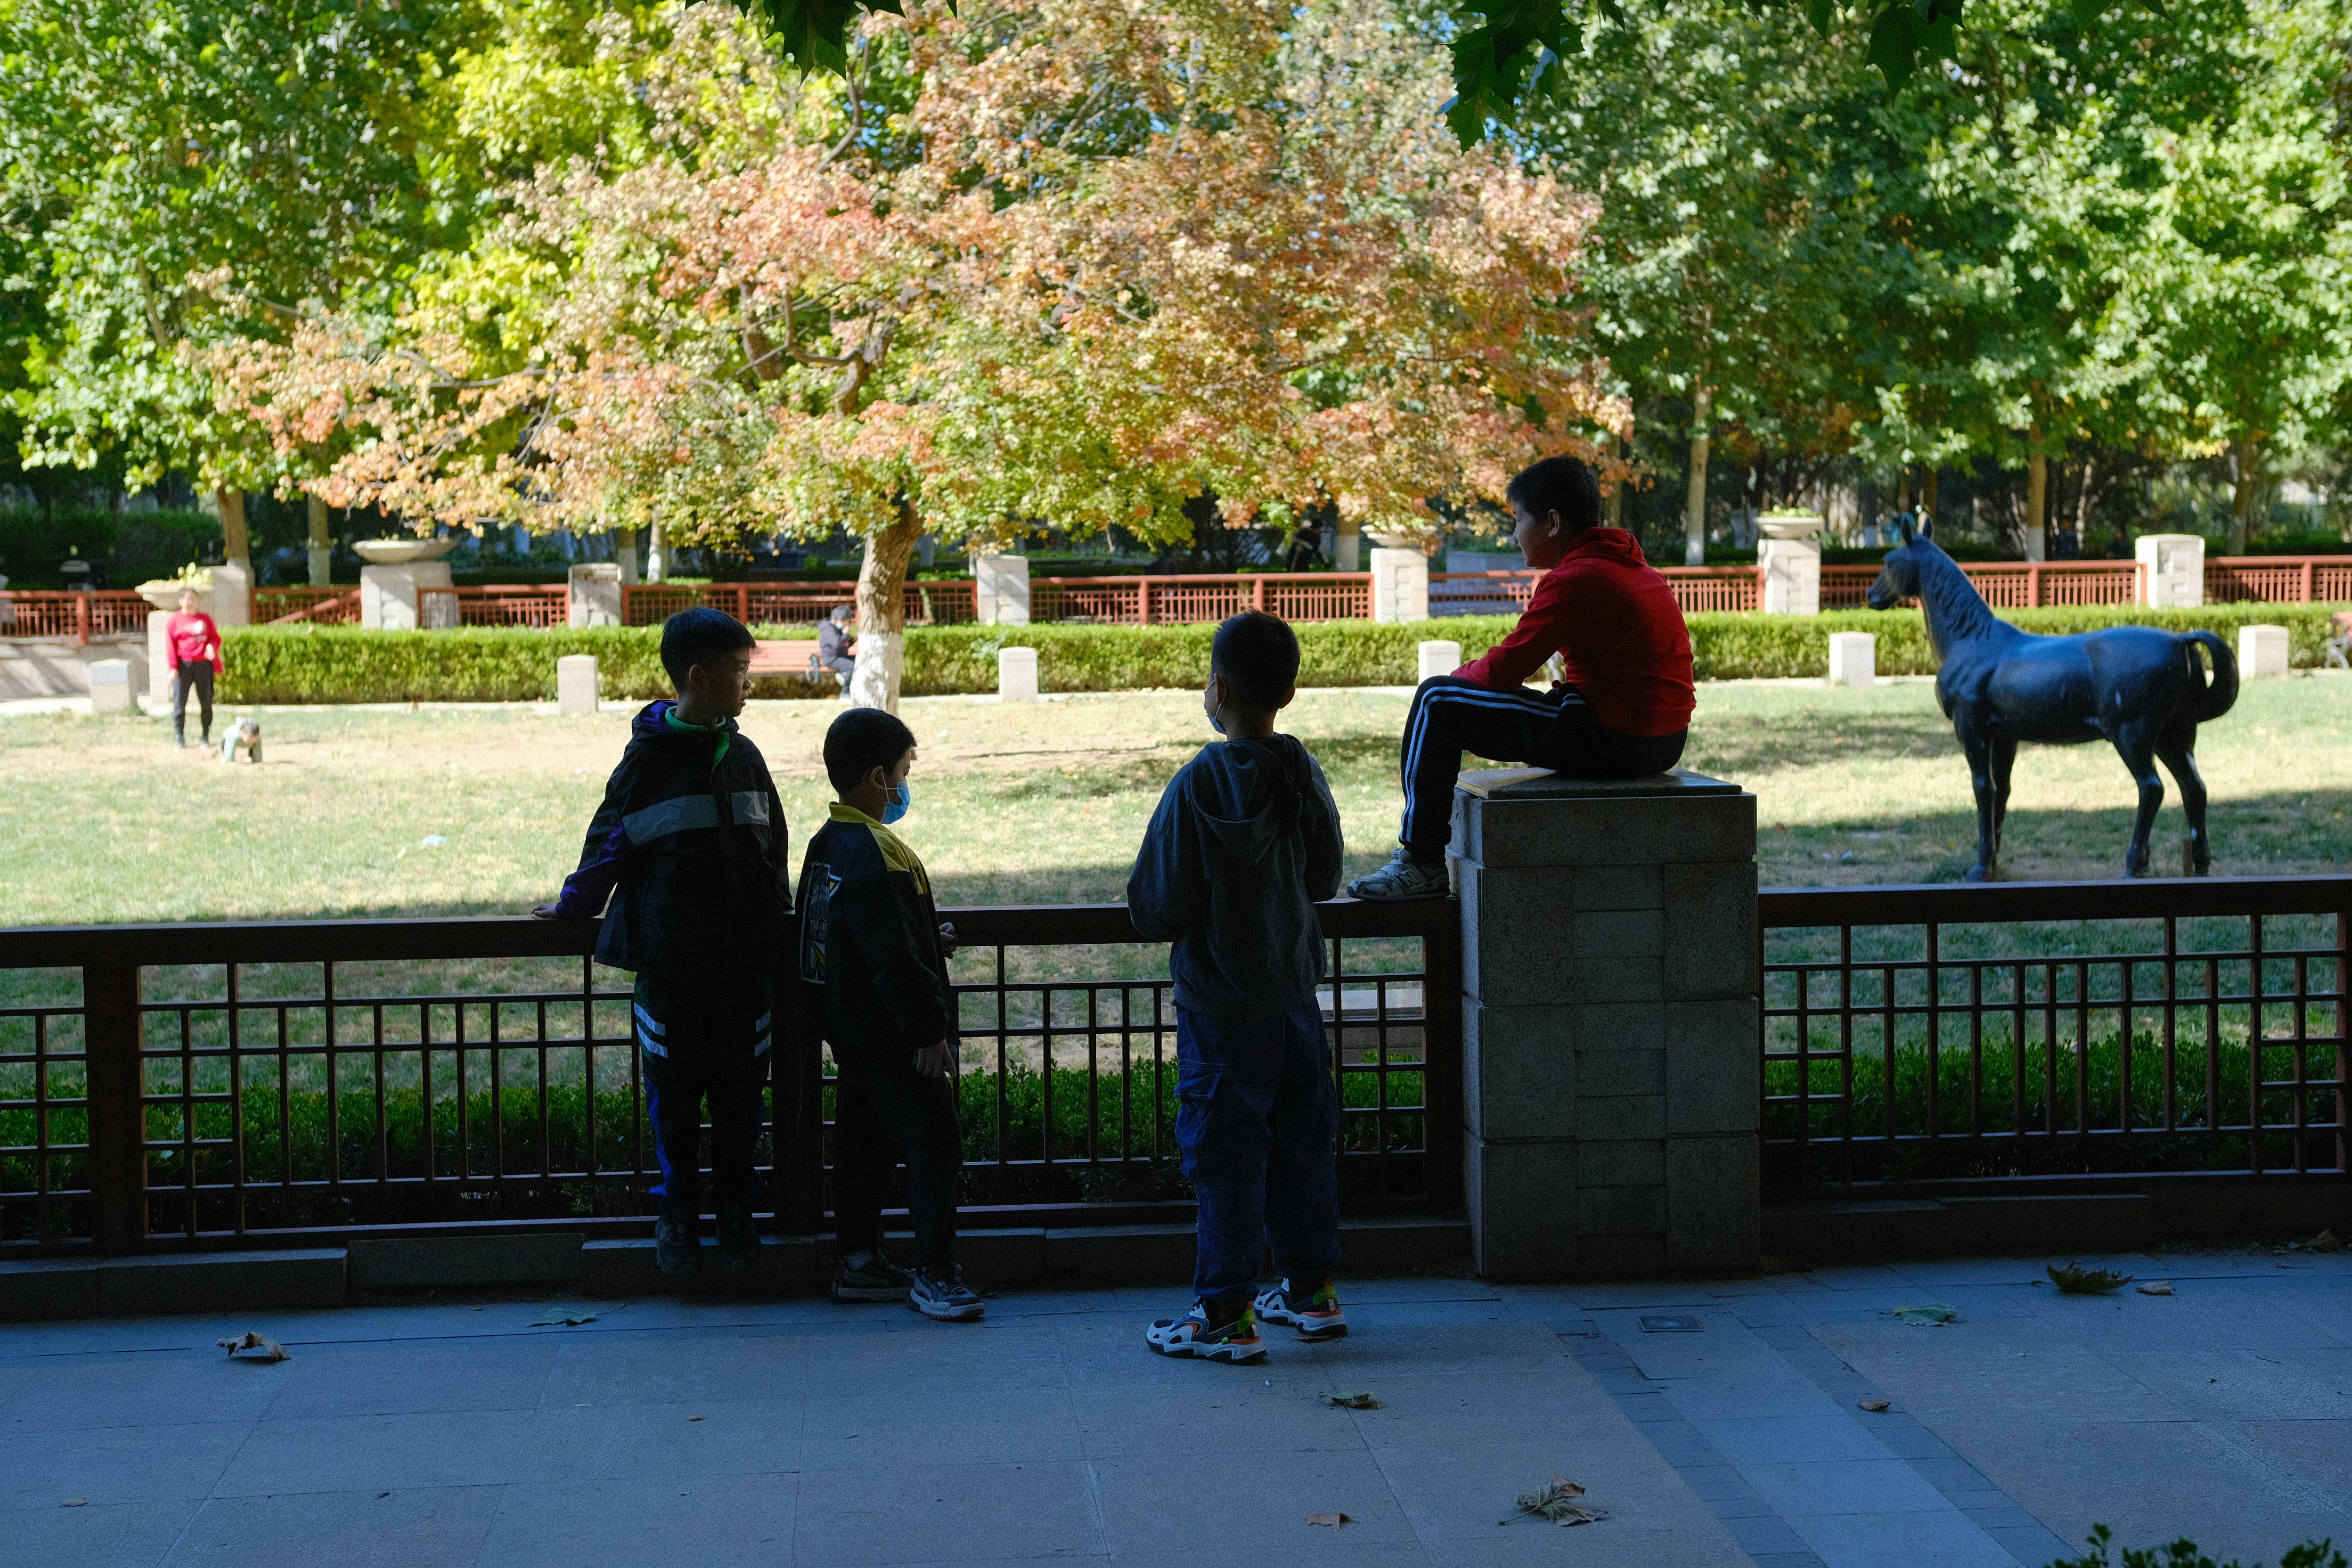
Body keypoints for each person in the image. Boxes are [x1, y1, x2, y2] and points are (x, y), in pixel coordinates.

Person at [534, 607, 791, 1276]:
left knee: (741, 1103)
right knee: (674, 1104)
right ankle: (677, 1216)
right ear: (699, 678)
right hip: (670, 971)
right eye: (739, 672)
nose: (746, 685)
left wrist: (779, 932)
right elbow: (609, 843)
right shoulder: (647, 762)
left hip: (743, 973)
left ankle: (737, 1214)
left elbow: (774, 853)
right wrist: (573, 905)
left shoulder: (745, 756)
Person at [1130, 610, 1346, 1364]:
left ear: (1216, 689)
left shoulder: (1196, 786)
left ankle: (1225, 1314)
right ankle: (1312, 1294)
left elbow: (1152, 905)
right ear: (1289, 691)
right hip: (1293, 1000)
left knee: (1224, 1159)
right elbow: (1325, 876)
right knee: (1302, 1149)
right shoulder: (1299, 770)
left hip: (1221, 1011)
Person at [1348, 455, 1694, 900]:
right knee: (1460, 698)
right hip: (1664, 740)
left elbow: (1503, 670)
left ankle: (1422, 862)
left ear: (1552, 522)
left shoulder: (1576, 578)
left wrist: (1457, 681)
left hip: (1615, 739)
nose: (1514, 534)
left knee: (1437, 701)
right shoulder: (1631, 567)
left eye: (1517, 520)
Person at [797, 706, 982, 1321]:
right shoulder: (880, 852)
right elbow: (894, 956)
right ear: (878, 777)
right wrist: (928, 1030)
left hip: (853, 1034)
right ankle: (936, 1273)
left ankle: (859, 1261)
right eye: (903, 771)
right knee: (935, 1143)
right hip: (898, 1036)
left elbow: (841, 940)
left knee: (863, 1146)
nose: (906, 784)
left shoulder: (828, 845)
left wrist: (932, 935)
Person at [165, 586, 224, 750]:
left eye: (194, 599)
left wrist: (212, 647)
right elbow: (170, 647)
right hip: (183, 666)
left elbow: (215, 639)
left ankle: (205, 736)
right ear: (181, 601)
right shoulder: (174, 621)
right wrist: (173, 668)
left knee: (206, 702)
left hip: (203, 665)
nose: (191, 602)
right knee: (179, 704)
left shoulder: (205, 619)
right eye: (188, 599)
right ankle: (180, 737)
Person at [818, 604, 858, 683]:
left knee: (859, 660)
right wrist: (846, 635)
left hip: (840, 656)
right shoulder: (829, 629)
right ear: (840, 620)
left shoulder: (838, 629)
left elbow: (844, 645)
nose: (848, 624)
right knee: (851, 667)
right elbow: (837, 644)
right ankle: (845, 692)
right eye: (847, 622)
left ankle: (843, 675)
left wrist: (853, 640)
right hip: (832, 659)